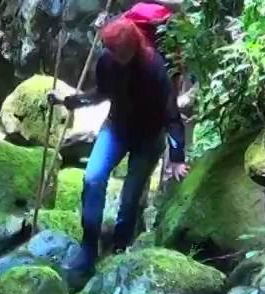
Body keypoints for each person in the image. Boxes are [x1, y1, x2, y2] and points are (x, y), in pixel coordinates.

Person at [48, 16, 189, 274]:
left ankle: (119, 247)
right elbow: (101, 93)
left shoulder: (154, 67)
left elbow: (171, 114)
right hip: (117, 128)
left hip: (148, 137)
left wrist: (177, 156)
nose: (116, 55)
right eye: (113, 50)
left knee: (130, 197)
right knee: (92, 178)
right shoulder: (107, 61)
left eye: (120, 50)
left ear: (133, 45)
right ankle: (89, 246)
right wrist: (71, 101)